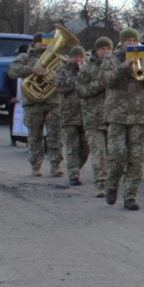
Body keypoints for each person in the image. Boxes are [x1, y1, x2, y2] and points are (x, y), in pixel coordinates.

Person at [103, 28, 144, 210]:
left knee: (136, 158)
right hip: (117, 115)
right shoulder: (111, 59)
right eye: (128, 41)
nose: (132, 44)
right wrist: (124, 65)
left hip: (139, 115)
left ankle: (130, 196)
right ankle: (112, 184)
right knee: (118, 154)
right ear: (122, 43)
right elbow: (107, 81)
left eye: (135, 41)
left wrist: (142, 69)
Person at [7, 33, 64, 177]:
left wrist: (55, 74)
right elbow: (12, 72)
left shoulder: (55, 56)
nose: (46, 45)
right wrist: (32, 70)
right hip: (33, 103)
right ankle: (36, 166)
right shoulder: (24, 57)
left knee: (55, 136)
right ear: (36, 43)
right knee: (34, 136)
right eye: (43, 42)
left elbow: (65, 73)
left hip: (53, 101)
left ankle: (56, 165)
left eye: (49, 42)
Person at [76, 37, 113, 197]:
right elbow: (81, 91)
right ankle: (101, 184)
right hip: (93, 117)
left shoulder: (115, 67)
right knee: (98, 152)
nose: (106, 52)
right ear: (96, 51)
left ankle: (113, 182)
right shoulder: (86, 69)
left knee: (113, 153)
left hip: (113, 116)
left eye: (108, 49)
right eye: (102, 49)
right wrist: (100, 84)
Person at [54, 45, 89, 187]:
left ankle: (76, 167)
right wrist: (77, 79)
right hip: (69, 113)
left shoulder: (88, 69)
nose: (79, 60)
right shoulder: (63, 70)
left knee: (85, 147)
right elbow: (60, 87)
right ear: (71, 58)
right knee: (71, 146)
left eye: (81, 57)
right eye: (76, 57)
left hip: (85, 113)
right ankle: (73, 174)